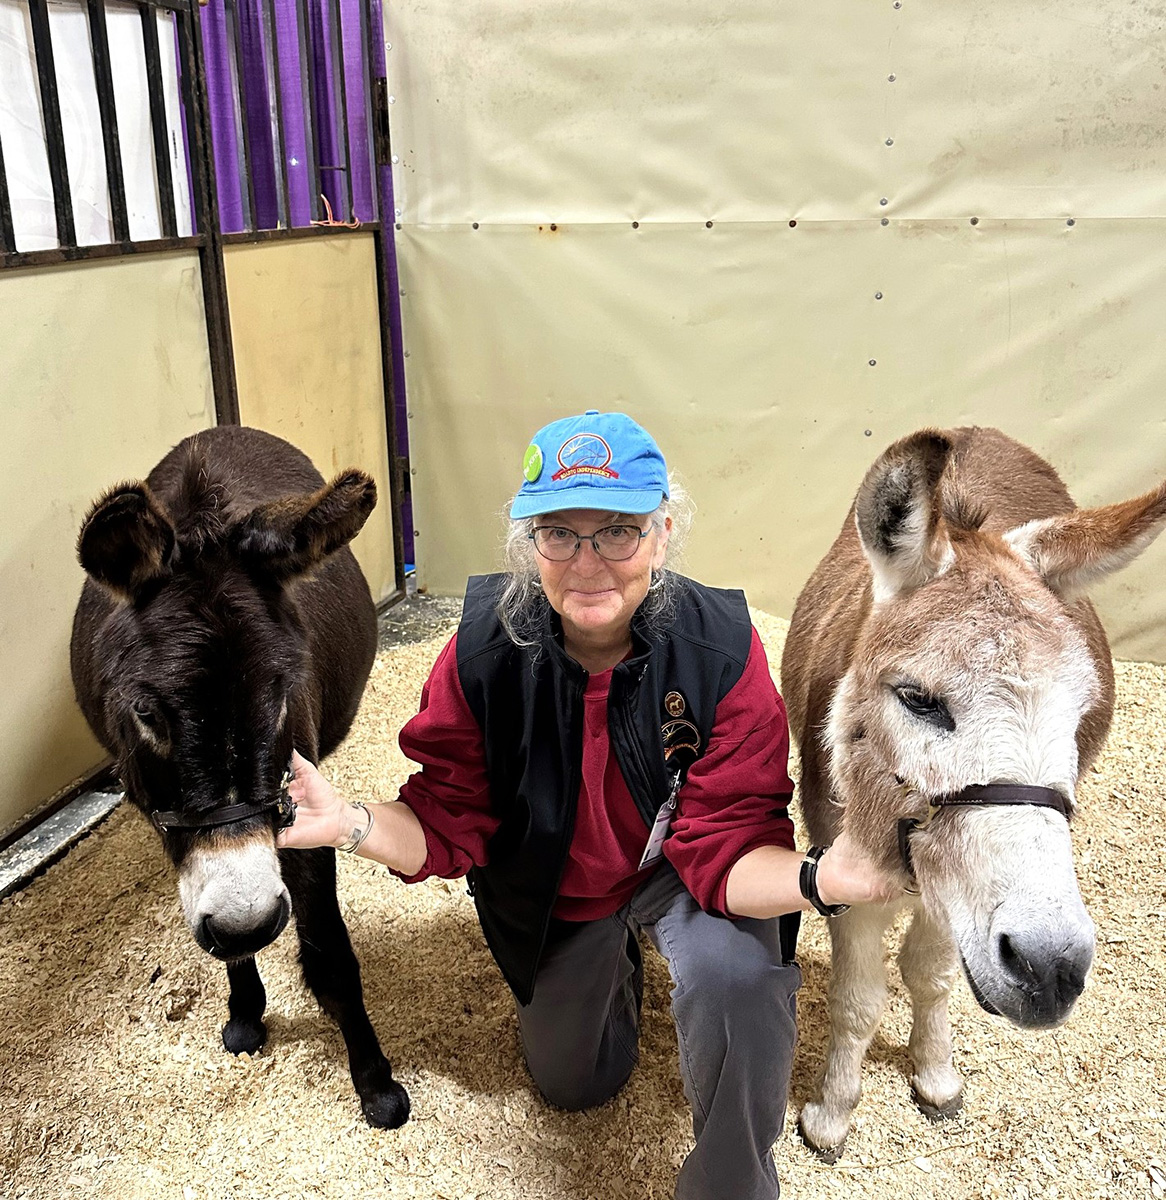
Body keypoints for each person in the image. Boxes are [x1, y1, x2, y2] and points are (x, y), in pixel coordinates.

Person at [279, 410, 901, 1199]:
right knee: (574, 1083)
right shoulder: (481, 655)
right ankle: (611, 963)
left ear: (663, 532)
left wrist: (821, 878)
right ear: (528, 544)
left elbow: (729, 847)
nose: (588, 562)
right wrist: (350, 824)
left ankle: (733, 1183)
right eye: (559, 535)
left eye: (618, 531)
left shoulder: (722, 651)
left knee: (738, 980)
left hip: (681, 871)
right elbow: (444, 820)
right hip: (560, 890)